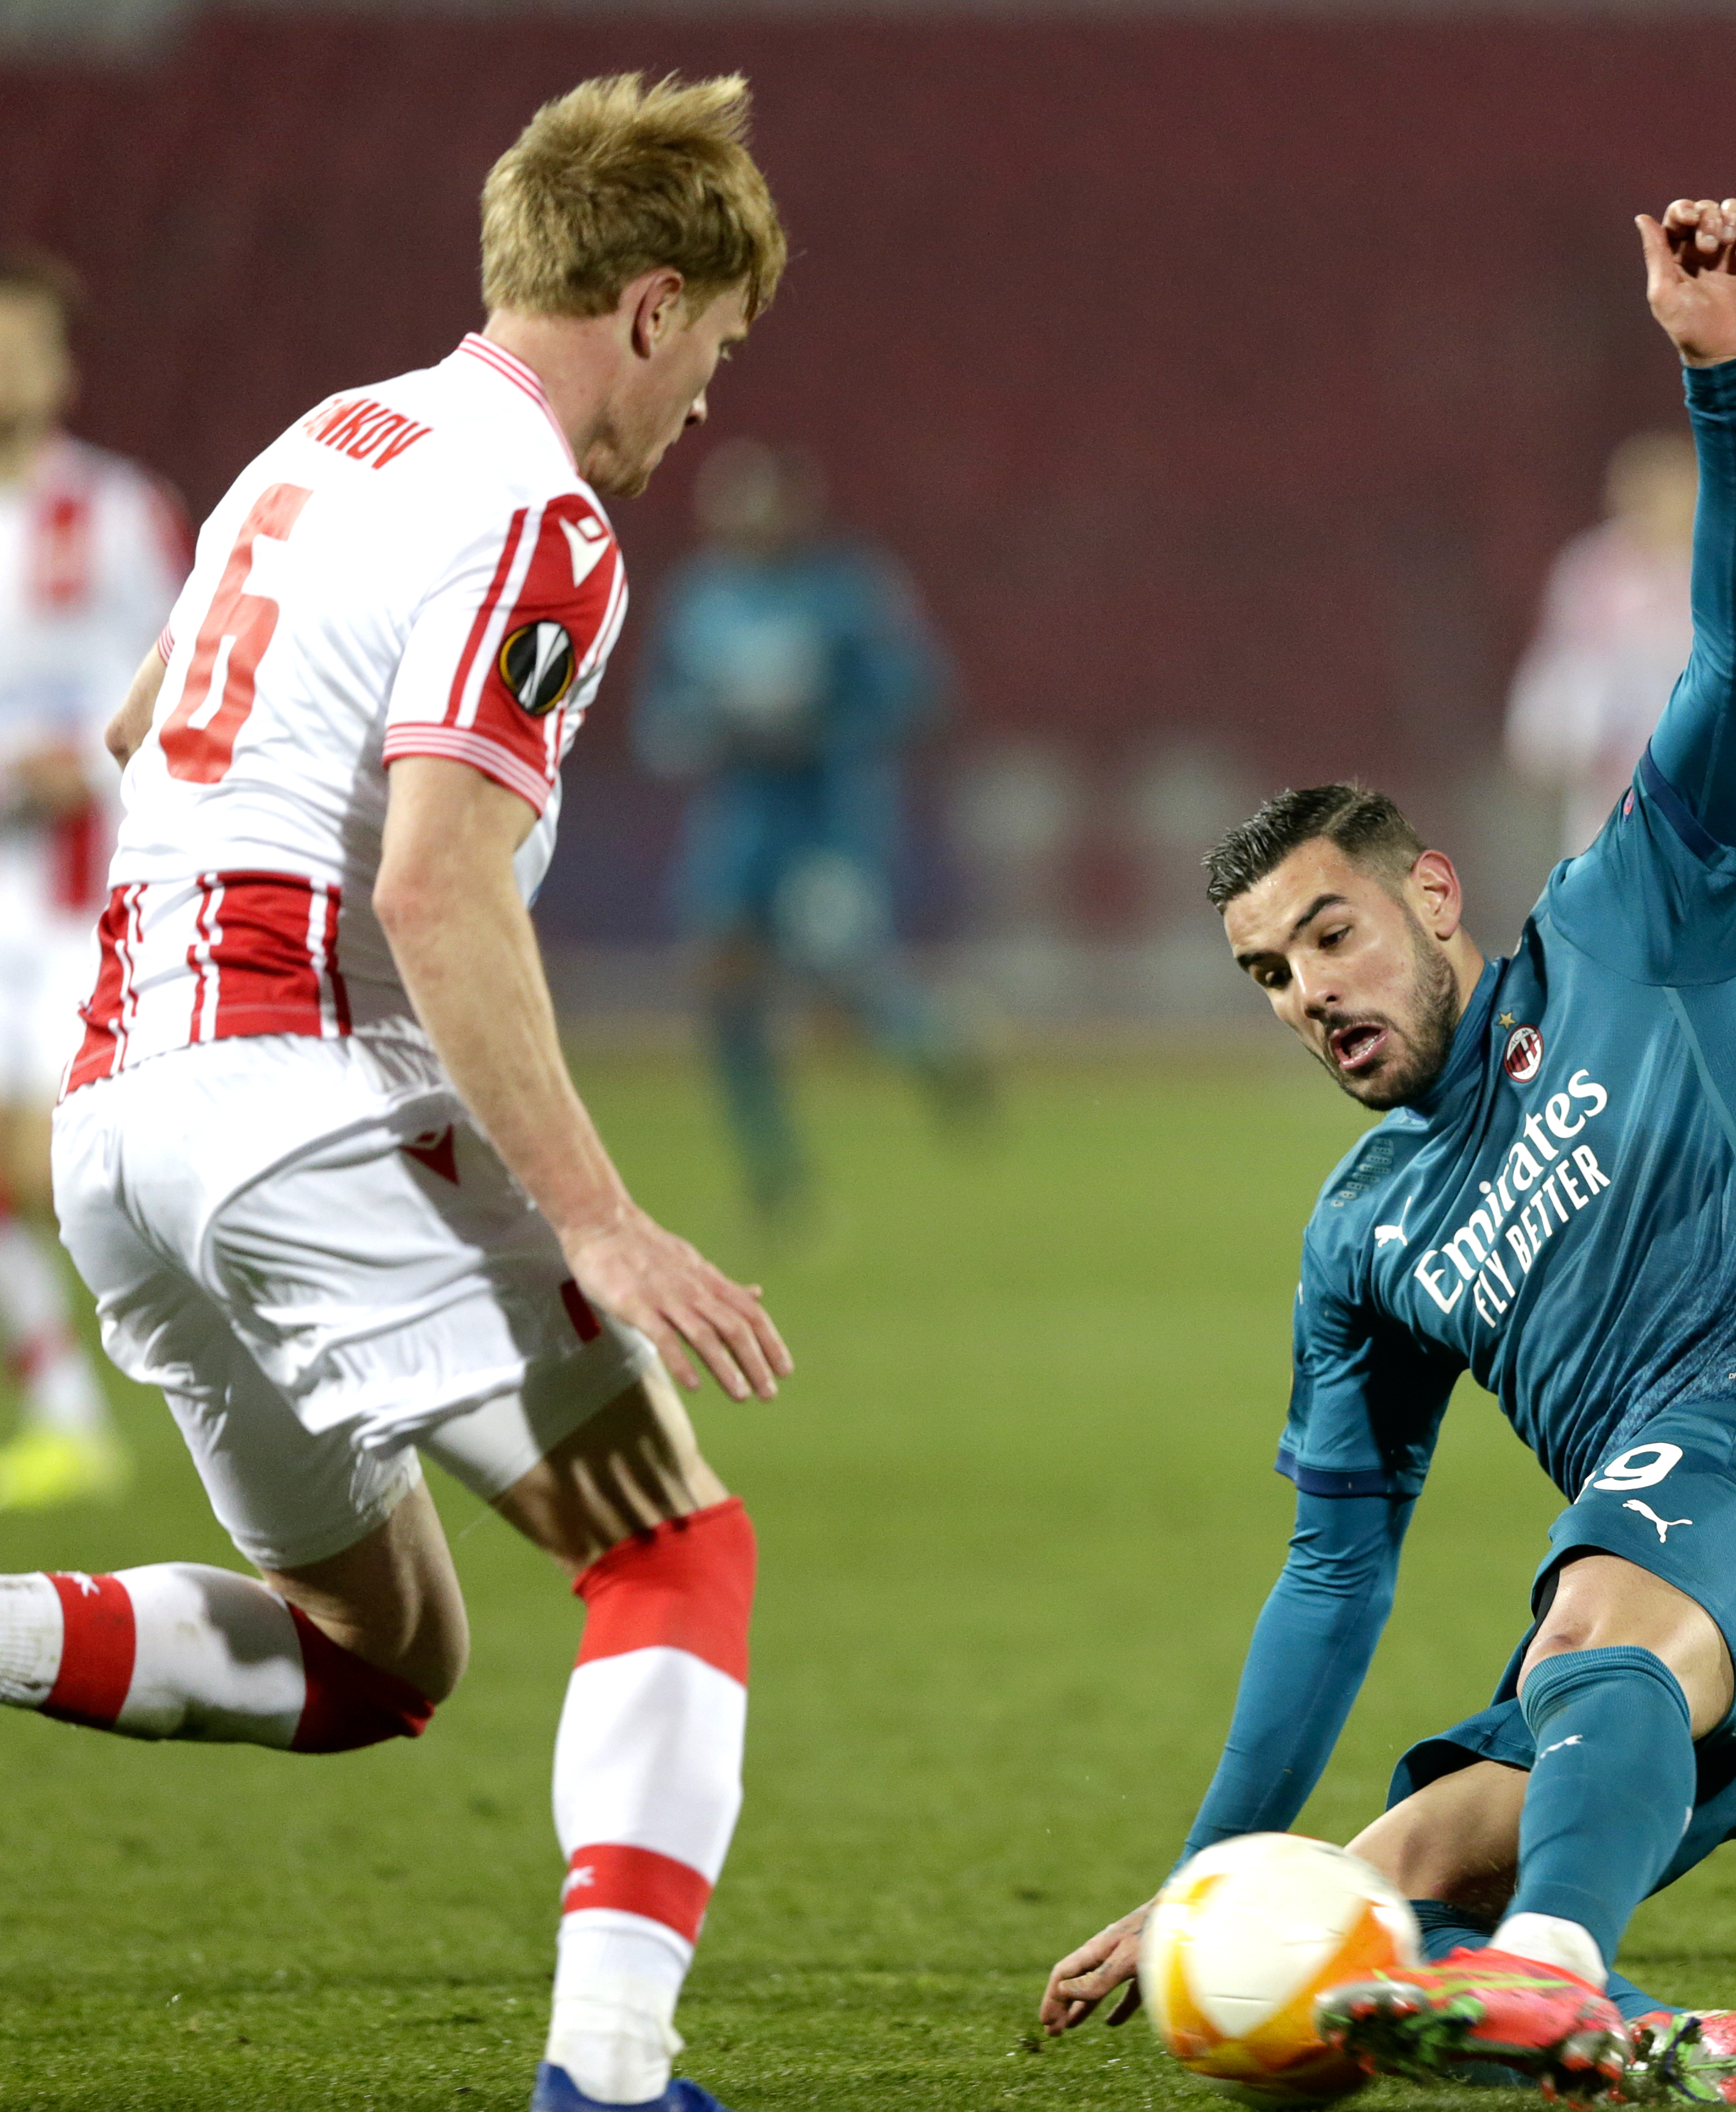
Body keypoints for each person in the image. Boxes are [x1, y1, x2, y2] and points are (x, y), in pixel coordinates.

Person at [1039, 199, 1736, 2105]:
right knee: (1332, 1936)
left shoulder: (1629, 924)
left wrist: (1723, 378)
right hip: (1696, 1659)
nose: (1309, 991)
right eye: (1269, 973)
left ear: (1432, 894)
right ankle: (1629, 2030)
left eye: (1333, 934)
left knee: (1582, 1621)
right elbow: (1332, 1578)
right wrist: (1209, 1873)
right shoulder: (1362, 1235)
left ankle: (1552, 1970)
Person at [16, 76, 797, 2112]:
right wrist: (602, 1218)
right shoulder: (542, 512)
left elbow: (141, 726)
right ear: (651, 303)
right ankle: (611, 2074)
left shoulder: (324, 438)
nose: (703, 397)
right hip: (291, 1081)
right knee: (671, 1551)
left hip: (120, 1117)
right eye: (715, 345)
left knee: (378, 1658)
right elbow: (437, 881)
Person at [634, 437, 980, 1225]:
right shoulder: (699, 600)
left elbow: (917, 692)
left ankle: (930, 1043)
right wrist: (702, 731)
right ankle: (775, 1174)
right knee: (725, 988)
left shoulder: (844, 592)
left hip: (828, 817)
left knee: (840, 981)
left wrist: (821, 721)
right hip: (739, 824)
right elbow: (659, 717)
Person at [0, 247, 186, 1508]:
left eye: (23, 346)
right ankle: (64, 1412)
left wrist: (76, 763)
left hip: (85, 893)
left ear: (62, 367)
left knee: (62, 1171)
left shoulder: (119, 514)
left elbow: (187, 683)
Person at [1506, 427, 1736, 1013]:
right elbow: (1549, 699)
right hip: (1619, 802)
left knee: (1734, 965)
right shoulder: (1591, 576)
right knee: (1612, 961)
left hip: (1730, 808)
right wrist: (1587, 734)